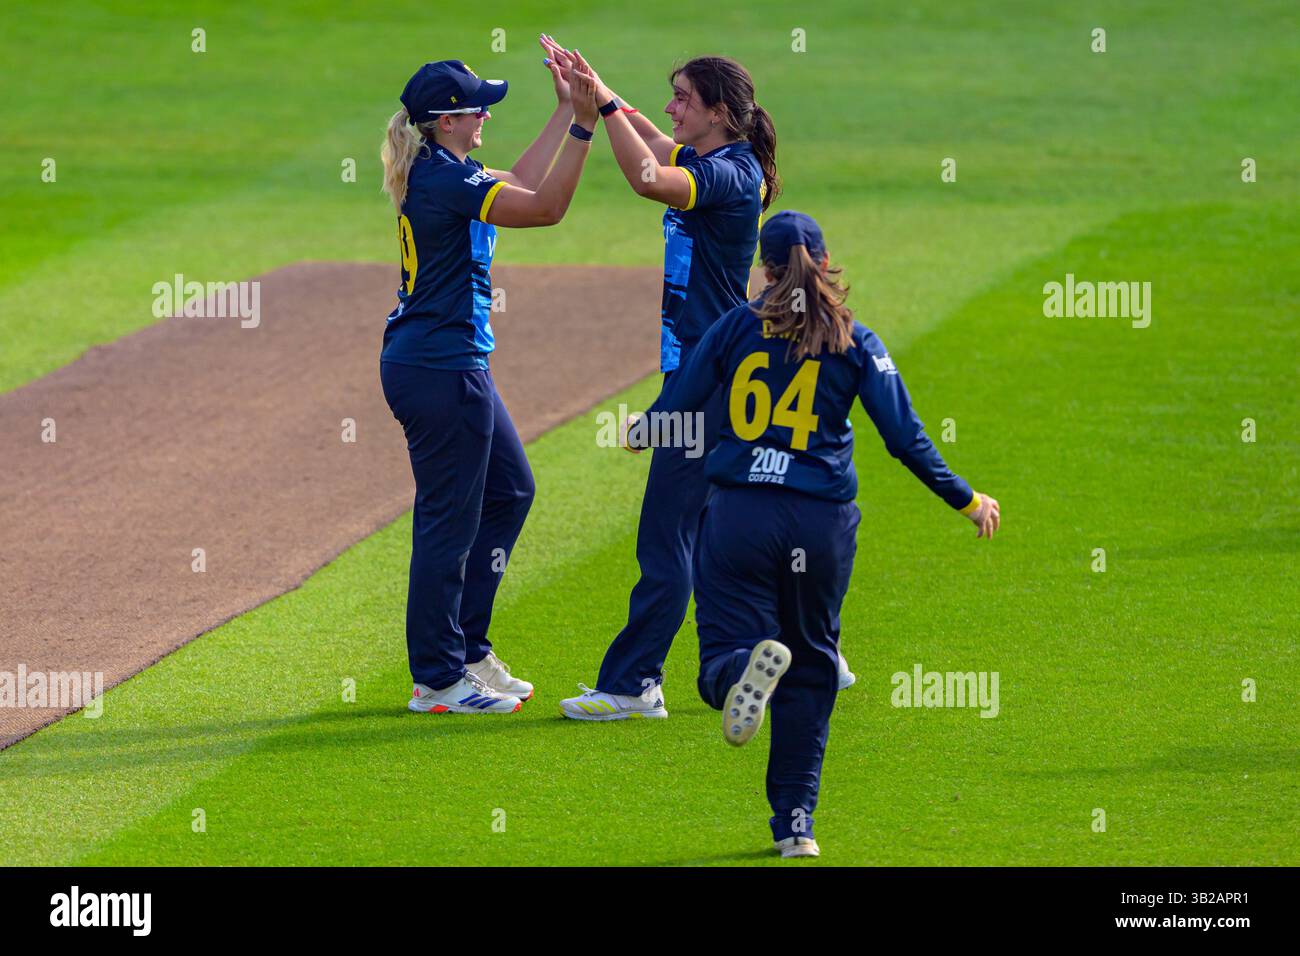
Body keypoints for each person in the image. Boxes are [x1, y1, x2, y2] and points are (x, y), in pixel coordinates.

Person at [629, 210, 1000, 857]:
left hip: (741, 517)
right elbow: (903, 438)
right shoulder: (858, 340)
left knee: (719, 660)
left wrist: (643, 431)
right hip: (819, 524)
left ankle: (745, 668)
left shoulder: (735, 327)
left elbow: (681, 403)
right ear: (825, 264)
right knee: (814, 667)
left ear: (766, 270)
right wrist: (965, 499)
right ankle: (795, 823)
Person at [532, 43, 855, 720]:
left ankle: (633, 685)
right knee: (723, 526)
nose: (673, 107)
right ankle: (812, 648)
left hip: (702, 384)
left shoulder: (729, 177)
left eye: (684, 97)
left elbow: (647, 174)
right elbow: (650, 136)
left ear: (717, 112)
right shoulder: (719, 160)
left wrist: (599, 110)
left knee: (668, 536)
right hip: (719, 376)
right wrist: (600, 91)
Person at [379, 53, 599, 714]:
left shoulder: (444, 169)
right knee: (448, 520)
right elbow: (547, 207)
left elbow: (526, 179)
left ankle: (468, 648)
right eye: (478, 106)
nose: (487, 115)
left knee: (510, 491)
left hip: (445, 364)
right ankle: (438, 678)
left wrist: (564, 109)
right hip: (441, 369)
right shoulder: (445, 181)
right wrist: (586, 129)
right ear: (447, 120)